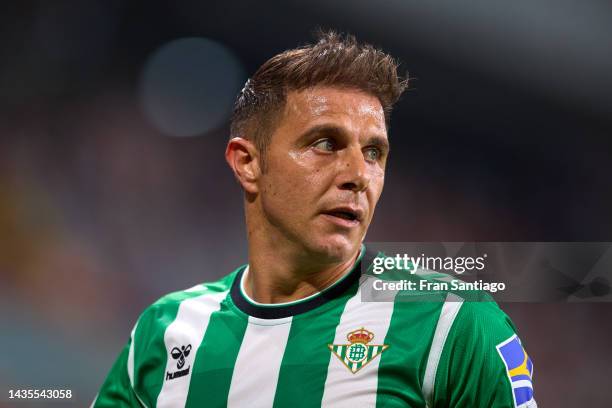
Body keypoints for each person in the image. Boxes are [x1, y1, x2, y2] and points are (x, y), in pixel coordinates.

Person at [93, 31, 536, 407]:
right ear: (248, 163)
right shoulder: (164, 333)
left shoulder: (451, 325)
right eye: (326, 144)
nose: (359, 176)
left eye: (374, 153)